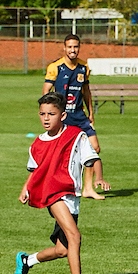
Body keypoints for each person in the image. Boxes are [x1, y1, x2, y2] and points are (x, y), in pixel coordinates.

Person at [14, 93, 109, 274]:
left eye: (51, 114)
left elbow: (93, 159)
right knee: (75, 236)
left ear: (63, 115)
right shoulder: (37, 144)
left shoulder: (76, 135)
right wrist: (25, 189)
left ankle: (26, 261)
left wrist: (99, 178)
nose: (46, 118)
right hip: (52, 193)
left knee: (62, 250)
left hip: (71, 197)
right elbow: (35, 170)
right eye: (42, 114)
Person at [43, 34, 108, 199]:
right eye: (70, 47)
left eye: (76, 47)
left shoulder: (83, 67)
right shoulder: (55, 67)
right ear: (64, 48)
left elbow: (86, 91)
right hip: (63, 117)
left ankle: (87, 188)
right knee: (61, 154)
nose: (73, 50)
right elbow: (46, 92)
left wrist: (91, 112)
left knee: (94, 149)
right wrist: (51, 114)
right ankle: (56, 185)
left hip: (80, 116)